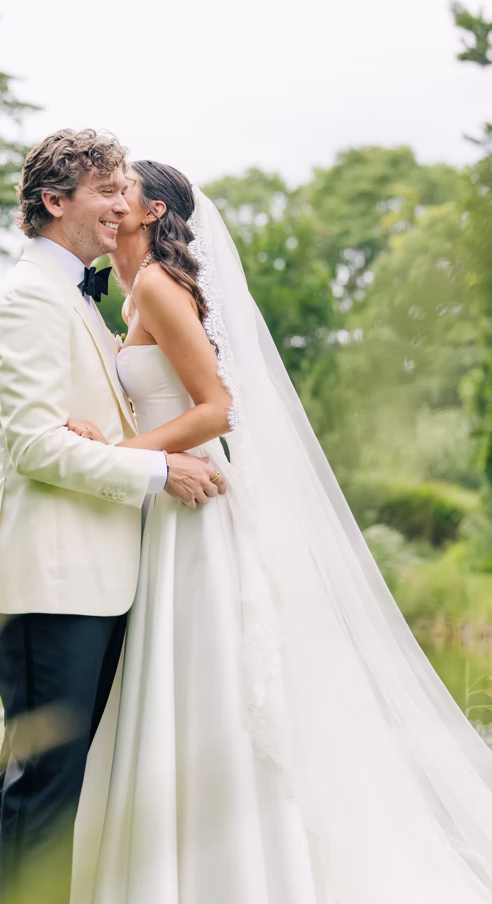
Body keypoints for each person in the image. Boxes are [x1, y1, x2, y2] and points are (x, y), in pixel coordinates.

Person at [67, 161, 492, 904]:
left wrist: (110, 454)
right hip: (163, 499)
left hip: (192, 502)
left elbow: (220, 407)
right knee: (173, 678)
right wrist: (99, 431)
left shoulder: (162, 288)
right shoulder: (132, 295)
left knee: (205, 680)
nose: (108, 200)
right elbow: (146, 400)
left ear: (152, 208)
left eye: (120, 189)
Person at [0, 131, 223, 904]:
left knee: (50, 784)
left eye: (125, 191)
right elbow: (37, 448)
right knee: (41, 788)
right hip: (50, 578)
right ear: (55, 201)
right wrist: (156, 466)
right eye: (107, 192)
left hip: (92, 578)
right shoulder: (27, 299)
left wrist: (111, 438)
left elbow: (69, 427)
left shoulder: (73, 296)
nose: (123, 205)